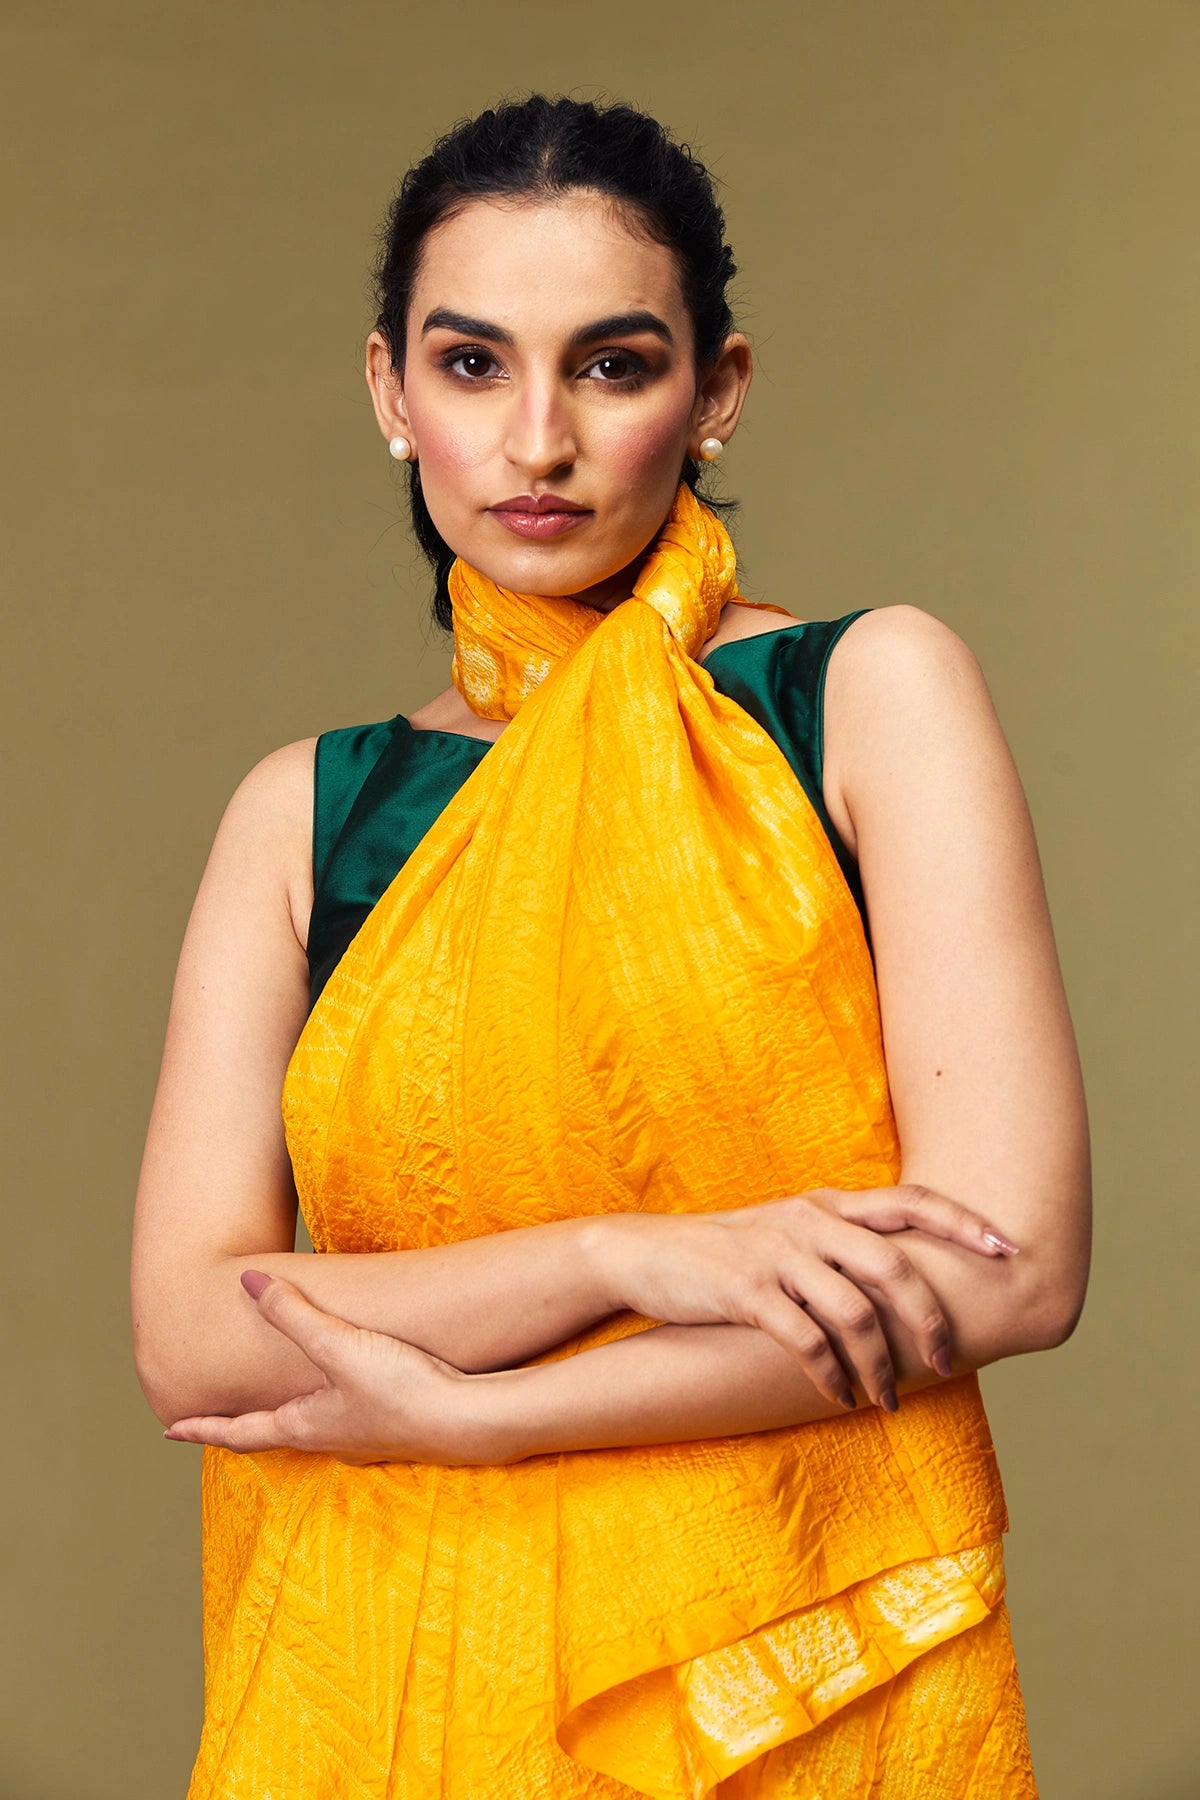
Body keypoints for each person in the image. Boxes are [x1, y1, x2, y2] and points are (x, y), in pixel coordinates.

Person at [131, 94, 1091, 1798]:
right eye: (476, 364)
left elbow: (1010, 1267)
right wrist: (626, 1257)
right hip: (378, 1672)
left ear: (715, 392)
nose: (537, 443)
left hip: (794, 1671)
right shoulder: (308, 814)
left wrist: (477, 1414)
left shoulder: (860, 698)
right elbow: (200, 1339)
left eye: (614, 364)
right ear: (389, 392)